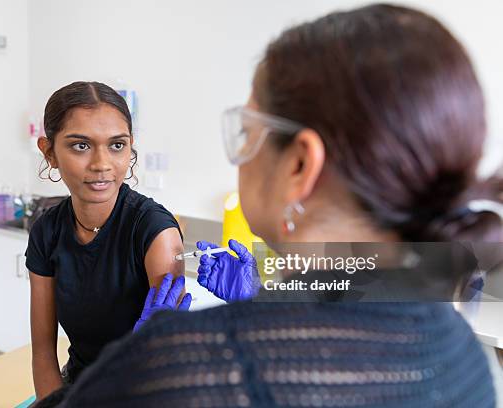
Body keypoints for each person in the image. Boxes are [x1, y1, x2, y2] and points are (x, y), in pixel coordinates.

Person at [62, 4, 499, 407]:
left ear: (300, 165)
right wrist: (267, 295)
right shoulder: (463, 354)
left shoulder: (190, 366)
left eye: (248, 132)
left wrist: (138, 360)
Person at [25, 81, 190, 402]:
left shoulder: (155, 232)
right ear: (49, 152)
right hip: (79, 387)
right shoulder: (47, 232)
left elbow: (174, 366)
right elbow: (43, 352)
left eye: (116, 145)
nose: (102, 164)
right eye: (81, 146)